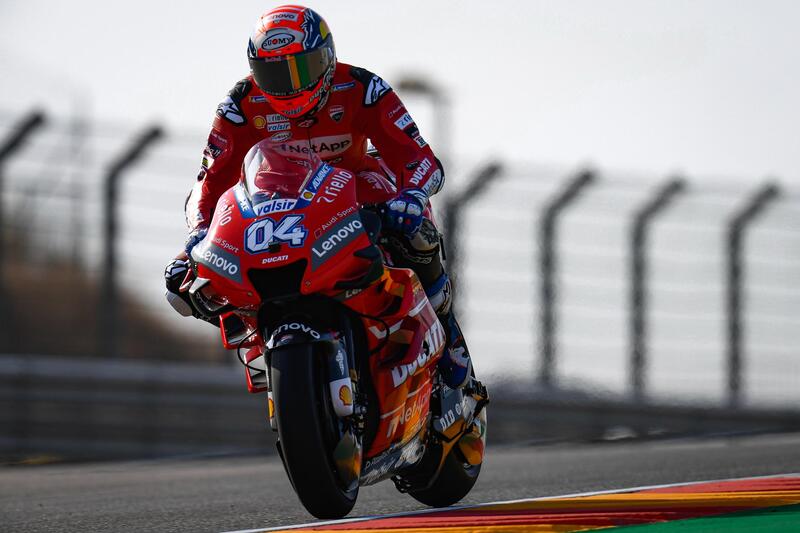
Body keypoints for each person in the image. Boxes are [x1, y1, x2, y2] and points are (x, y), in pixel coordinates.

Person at [165, 4, 472, 389]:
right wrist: (197, 235)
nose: (290, 86)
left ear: (327, 57)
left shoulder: (362, 87)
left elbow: (419, 157)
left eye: (301, 69)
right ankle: (259, 332)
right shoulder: (240, 104)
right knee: (182, 287)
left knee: (414, 230)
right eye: (275, 73)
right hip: (276, 206)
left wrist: (411, 195)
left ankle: (446, 327)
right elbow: (208, 182)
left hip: (356, 191)